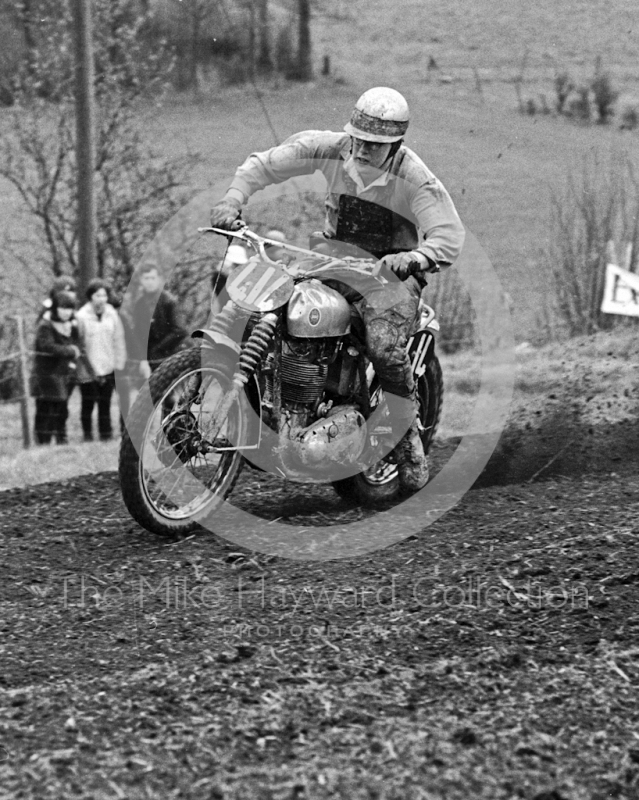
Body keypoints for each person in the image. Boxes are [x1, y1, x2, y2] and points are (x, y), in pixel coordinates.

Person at [209, 86, 466, 493]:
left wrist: (416, 258)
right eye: (359, 139)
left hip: (388, 274)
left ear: (394, 143)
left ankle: (406, 442)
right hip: (329, 258)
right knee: (264, 300)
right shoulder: (328, 148)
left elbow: (448, 235)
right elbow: (265, 165)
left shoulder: (415, 177)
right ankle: (275, 400)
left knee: (384, 346)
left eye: (374, 144)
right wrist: (232, 200)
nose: (362, 149)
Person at [76, 279, 127, 442]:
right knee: (88, 403)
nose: (102, 299)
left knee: (105, 402)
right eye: (98, 295)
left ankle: (106, 435)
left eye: (104, 295)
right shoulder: (81, 316)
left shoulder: (111, 313)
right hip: (88, 367)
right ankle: (88, 435)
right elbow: (79, 341)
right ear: (91, 297)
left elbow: (118, 337)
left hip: (108, 364)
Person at [30, 290, 80, 445]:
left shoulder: (71, 326)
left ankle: (61, 439)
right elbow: (48, 347)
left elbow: (77, 344)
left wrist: (73, 353)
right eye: (63, 308)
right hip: (46, 375)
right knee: (45, 410)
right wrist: (71, 351)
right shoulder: (45, 326)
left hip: (64, 374)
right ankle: (43, 441)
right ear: (55, 308)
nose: (66, 312)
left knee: (61, 409)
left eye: (69, 308)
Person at [131, 266, 187, 378]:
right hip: (147, 358)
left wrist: (159, 349)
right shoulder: (139, 303)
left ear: (159, 280)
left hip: (168, 355)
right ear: (141, 281)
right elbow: (137, 333)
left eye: (152, 278)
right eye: (146, 278)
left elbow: (180, 330)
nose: (150, 282)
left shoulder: (169, 301)